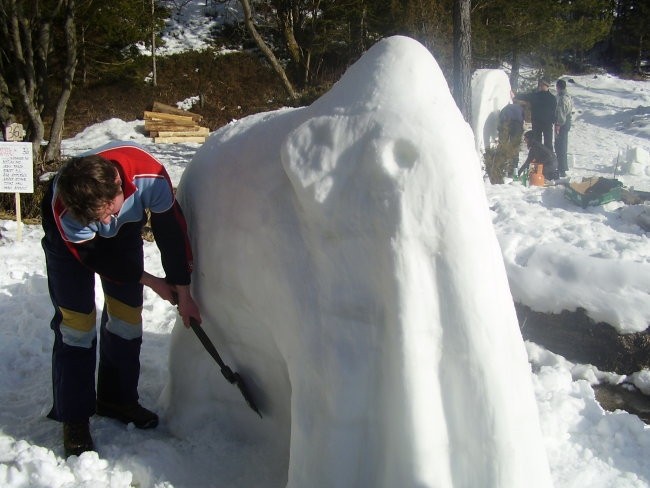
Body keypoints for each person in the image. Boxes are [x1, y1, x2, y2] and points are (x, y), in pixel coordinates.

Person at [41, 142, 201, 458]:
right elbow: (95, 257)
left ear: (118, 184)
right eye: (96, 219)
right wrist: (152, 281)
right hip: (72, 249)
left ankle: (116, 397)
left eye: (109, 211)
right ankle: (73, 415)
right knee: (77, 325)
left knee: (127, 316)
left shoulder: (149, 176)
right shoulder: (67, 207)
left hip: (127, 231)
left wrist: (183, 288)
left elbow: (170, 229)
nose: (104, 224)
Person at [516, 78, 557, 150]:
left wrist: (554, 121)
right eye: (540, 85)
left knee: (548, 143)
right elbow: (525, 96)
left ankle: (549, 159)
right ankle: (538, 157)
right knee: (537, 142)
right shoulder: (536, 95)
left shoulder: (552, 98)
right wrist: (516, 95)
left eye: (542, 85)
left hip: (547, 123)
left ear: (547, 86)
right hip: (537, 122)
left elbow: (554, 111)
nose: (541, 86)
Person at [498, 91, 525, 174]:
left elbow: (500, 119)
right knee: (515, 146)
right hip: (516, 125)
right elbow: (522, 121)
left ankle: (500, 167)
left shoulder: (507, 107)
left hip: (505, 123)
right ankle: (513, 169)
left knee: (503, 145)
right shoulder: (521, 109)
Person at [554, 79, 573, 177]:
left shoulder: (562, 98)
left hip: (562, 123)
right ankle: (562, 167)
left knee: (559, 146)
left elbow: (561, 113)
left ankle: (561, 168)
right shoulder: (568, 96)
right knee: (563, 145)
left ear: (558, 87)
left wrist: (558, 124)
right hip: (567, 122)